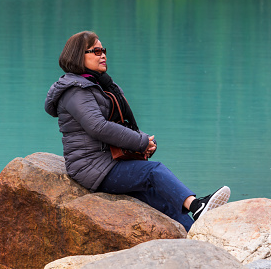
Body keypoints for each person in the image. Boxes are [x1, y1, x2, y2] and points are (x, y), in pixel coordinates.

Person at [45, 31, 231, 231]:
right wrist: (139, 141)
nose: (103, 55)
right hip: (91, 167)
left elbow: (119, 123)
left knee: (164, 198)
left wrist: (144, 141)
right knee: (153, 171)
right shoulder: (75, 91)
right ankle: (197, 206)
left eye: (103, 50)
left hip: (108, 161)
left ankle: (199, 235)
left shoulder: (100, 85)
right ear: (78, 56)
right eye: (96, 51)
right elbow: (98, 127)